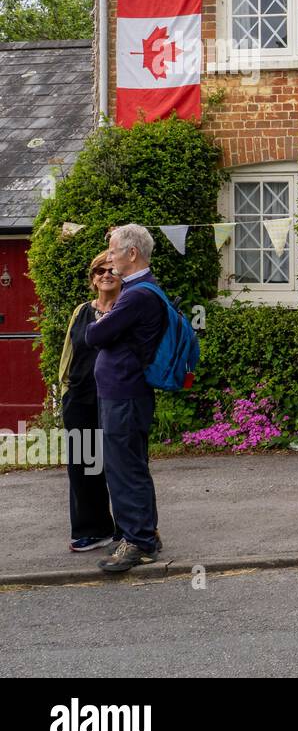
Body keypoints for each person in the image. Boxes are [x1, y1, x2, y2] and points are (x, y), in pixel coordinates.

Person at [85, 224, 167, 572]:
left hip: (124, 394)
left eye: (115, 251)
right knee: (133, 466)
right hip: (127, 393)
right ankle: (145, 535)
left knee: (123, 469)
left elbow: (94, 334)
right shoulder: (143, 290)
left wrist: (101, 321)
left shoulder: (136, 295)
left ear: (132, 254)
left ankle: (137, 542)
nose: (111, 258)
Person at [56, 251, 121, 552]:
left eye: (112, 269)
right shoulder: (81, 310)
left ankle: (127, 530)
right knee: (83, 466)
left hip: (115, 398)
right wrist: (65, 389)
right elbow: (69, 351)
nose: (106, 275)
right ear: (93, 278)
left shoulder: (127, 308)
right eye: (100, 271)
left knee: (118, 464)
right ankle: (92, 530)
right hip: (80, 398)